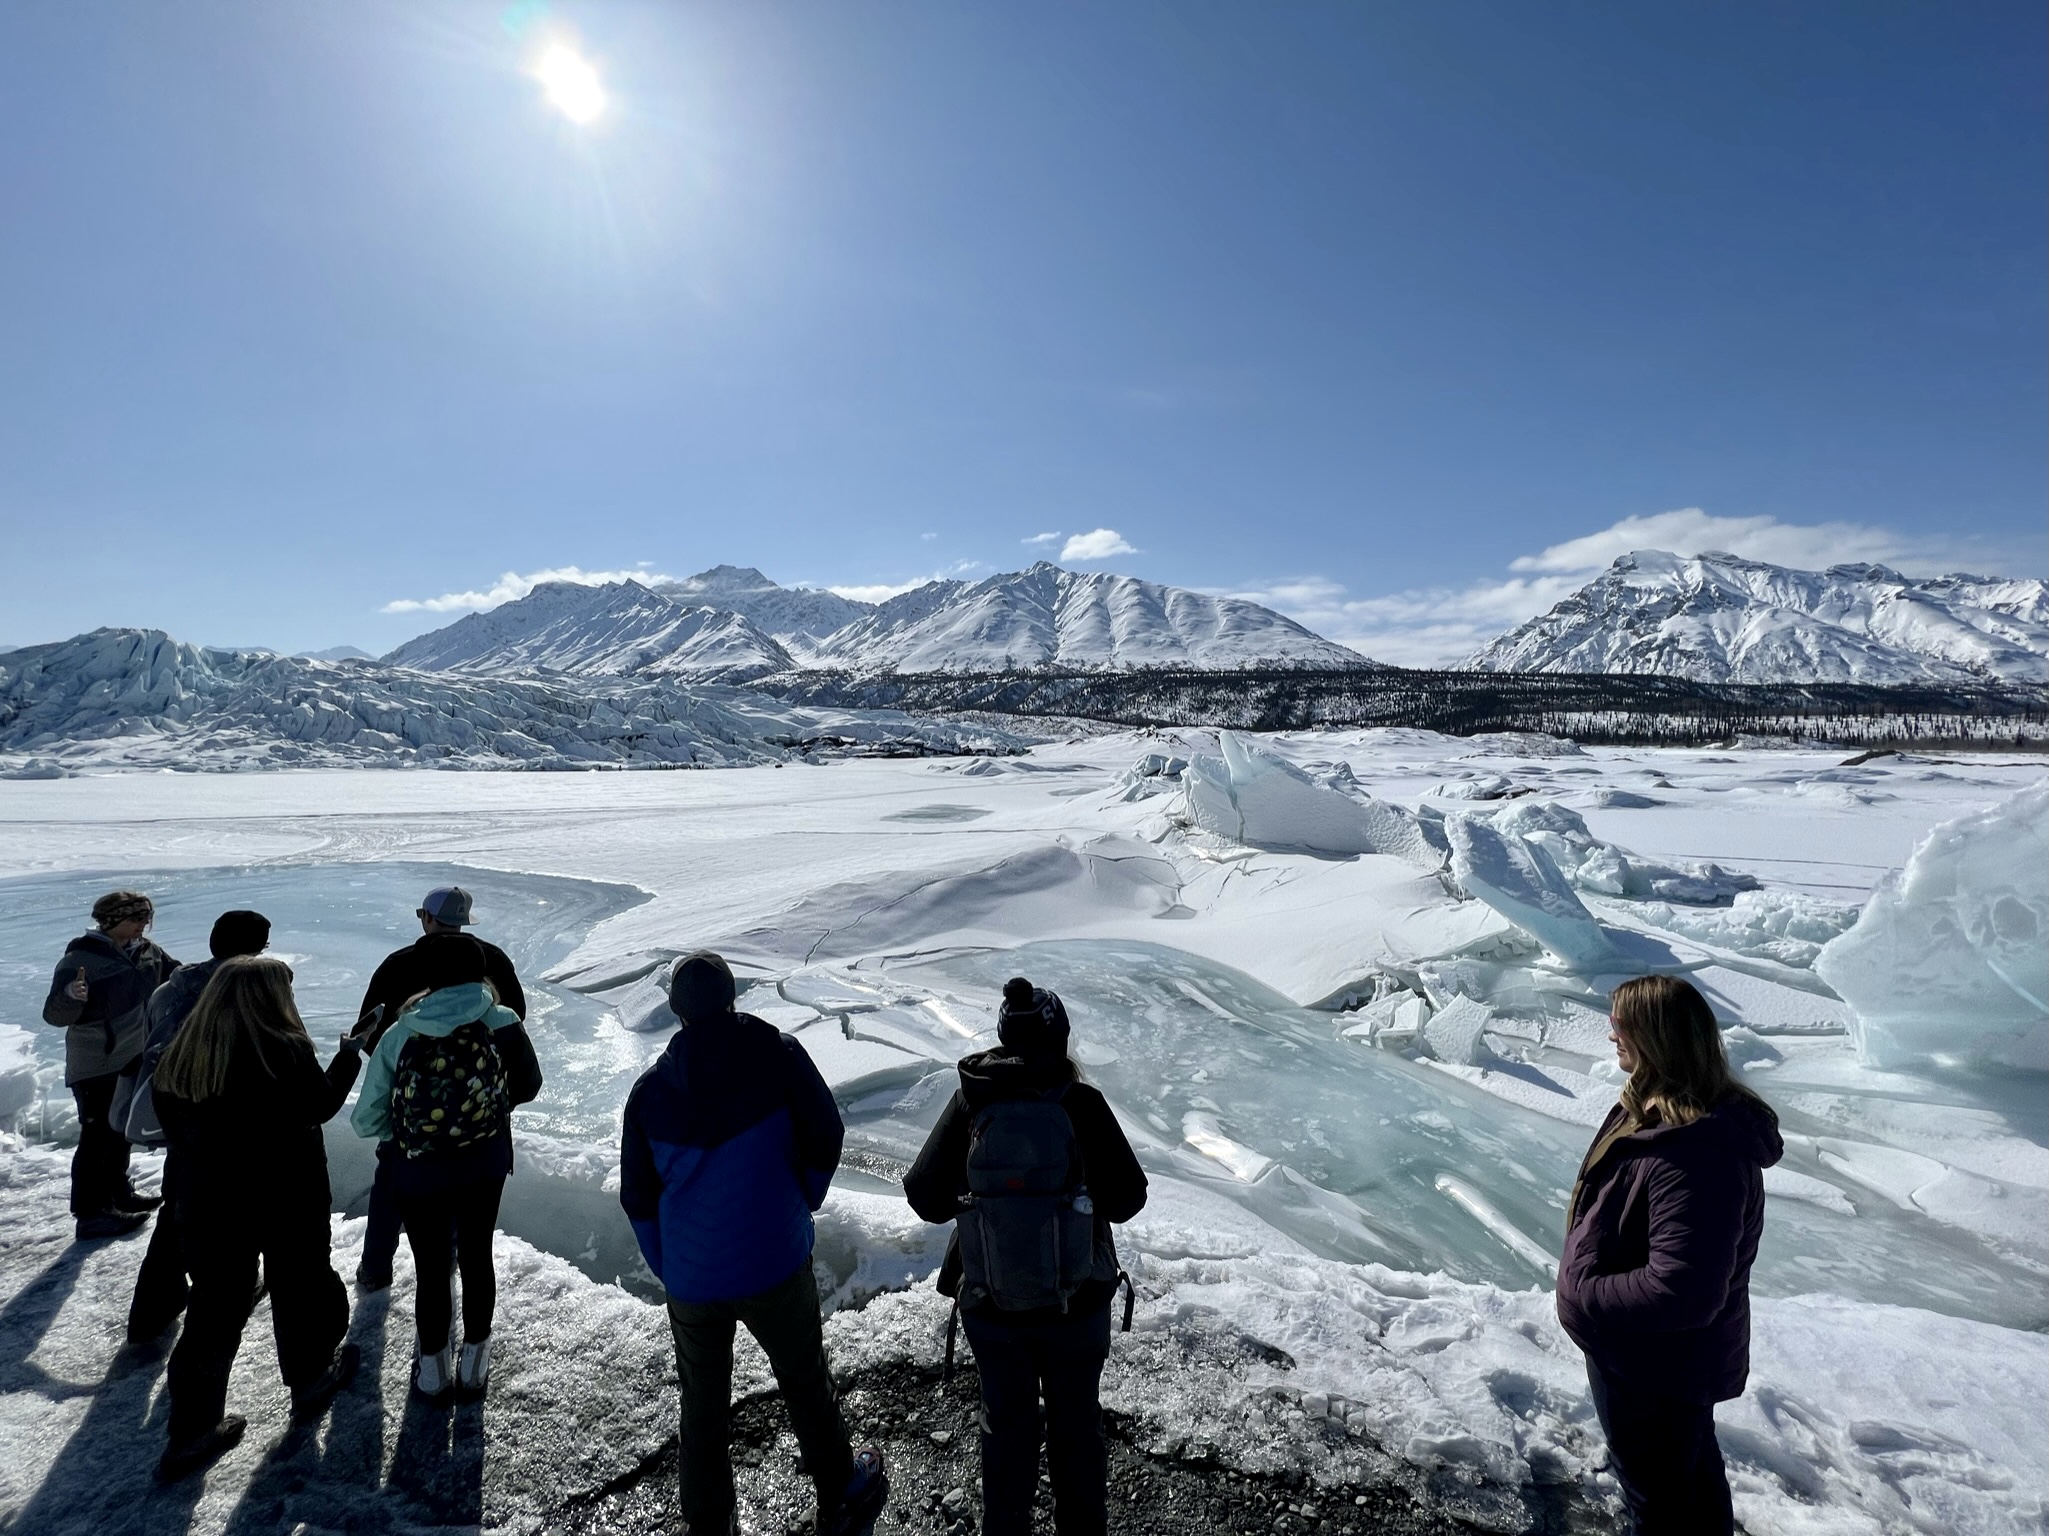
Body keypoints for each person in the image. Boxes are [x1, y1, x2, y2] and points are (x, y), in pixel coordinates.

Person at [620, 951, 887, 1536]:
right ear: (732, 996)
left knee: (703, 1407)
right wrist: (802, 1201)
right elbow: (826, 1133)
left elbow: (638, 1198)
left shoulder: (650, 1093)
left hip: (694, 1279)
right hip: (774, 1258)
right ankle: (841, 1491)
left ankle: (711, 1526)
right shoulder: (778, 1055)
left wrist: (674, 1268)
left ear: (676, 1010)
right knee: (804, 1378)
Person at [904, 977, 1147, 1536]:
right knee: (1076, 1426)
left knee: (1006, 1425)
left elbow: (924, 1197)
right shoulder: (1079, 1102)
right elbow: (1128, 1198)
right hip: (1077, 1302)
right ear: (1059, 1038)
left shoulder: (974, 1098)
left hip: (992, 1302)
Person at [1556, 975, 1784, 1536]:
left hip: (1652, 1365)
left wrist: (1581, 1295)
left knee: (1657, 1502)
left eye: (1620, 1023)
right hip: (1656, 1359)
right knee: (1690, 1482)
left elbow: (1681, 1291)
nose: (1610, 1033)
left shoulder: (1694, 1155)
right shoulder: (1657, 1113)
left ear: (1654, 1035)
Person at [151, 956, 365, 1483]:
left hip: (207, 1206)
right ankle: (312, 1378)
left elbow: (176, 1133)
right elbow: (319, 1106)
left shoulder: (181, 1054)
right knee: (301, 1286)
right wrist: (348, 1055)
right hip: (285, 1199)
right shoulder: (284, 1049)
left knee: (212, 1312)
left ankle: (189, 1434)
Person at [351, 931, 541, 1401]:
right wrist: (487, 1114)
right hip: (486, 1163)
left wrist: (413, 1131)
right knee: (477, 1258)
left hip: (419, 1172)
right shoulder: (502, 1019)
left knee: (432, 1267)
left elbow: (366, 1119)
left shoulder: (401, 1033)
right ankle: (475, 1366)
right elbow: (530, 1084)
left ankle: (432, 1371)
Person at [351, 885, 526, 1292]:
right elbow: (516, 1019)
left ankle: (375, 1270)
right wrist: (488, 1093)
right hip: (480, 1119)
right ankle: (443, 1271)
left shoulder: (399, 965)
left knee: (391, 1184)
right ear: (465, 921)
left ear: (428, 918)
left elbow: (370, 1028)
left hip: (408, 1117)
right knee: (461, 1199)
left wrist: (408, 1081)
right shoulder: (492, 959)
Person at [124, 909, 273, 1345]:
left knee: (176, 1215)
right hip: (229, 1132)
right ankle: (232, 1295)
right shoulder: (248, 994)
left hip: (179, 1127)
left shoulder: (172, 989)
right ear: (257, 950)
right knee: (230, 1231)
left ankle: (150, 1313)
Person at [41, 890, 181, 1240]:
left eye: (146, 918)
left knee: (120, 1130)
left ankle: (119, 1193)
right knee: (97, 1136)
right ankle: (89, 1213)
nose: (143, 925)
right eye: (136, 919)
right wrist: (70, 998)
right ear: (112, 920)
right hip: (95, 1063)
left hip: (134, 1058)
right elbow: (54, 1015)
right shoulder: (81, 958)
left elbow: (178, 978)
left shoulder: (148, 952)